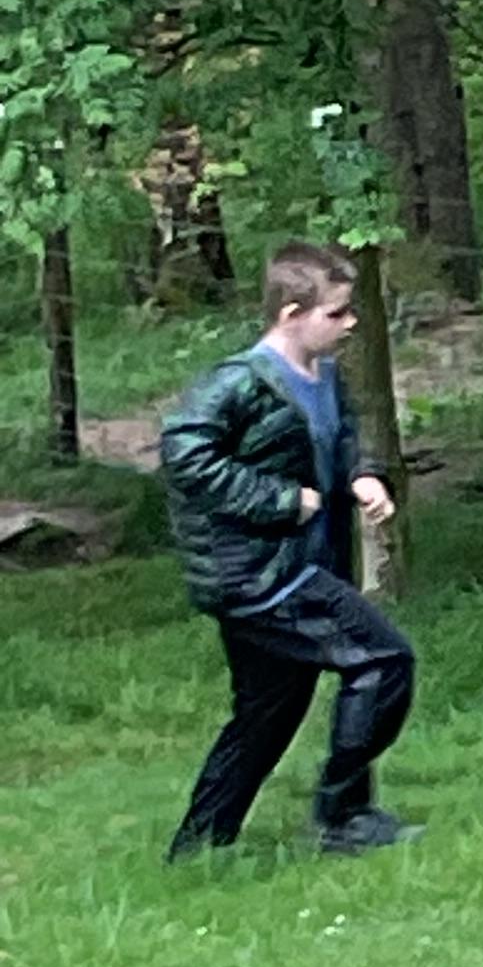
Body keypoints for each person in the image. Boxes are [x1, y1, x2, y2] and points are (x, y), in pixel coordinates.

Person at [158, 239, 420, 859]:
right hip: (260, 575)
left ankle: (198, 849)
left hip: (305, 565)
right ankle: (343, 817)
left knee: (269, 709)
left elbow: (342, 436)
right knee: (383, 660)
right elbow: (183, 454)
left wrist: (363, 476)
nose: (351, 323)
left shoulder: (325, 375)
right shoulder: (239, 382)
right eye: (337, 312)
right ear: (291, 314)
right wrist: (277, 500)